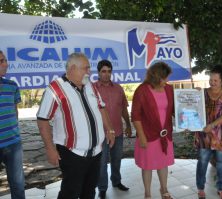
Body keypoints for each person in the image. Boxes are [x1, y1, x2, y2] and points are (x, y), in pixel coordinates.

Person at [37, 52, 115, 199]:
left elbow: (101, 107)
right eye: (85, 68)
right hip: (72, 153)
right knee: (70, 192)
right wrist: (50, 149)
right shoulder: (55, 89)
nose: (89, 71)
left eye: (89, 68)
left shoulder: (90, 86)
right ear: (72, 69)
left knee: (89, 191)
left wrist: (109, 129)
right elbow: (42, 119)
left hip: (96, 152)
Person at [131, 62, 174, 199]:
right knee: (147, 166)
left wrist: (192, 96)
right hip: (148, 135)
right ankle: (148, 194)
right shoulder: (142, 90)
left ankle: (164, 189)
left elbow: (175, 109)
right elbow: (136, 116)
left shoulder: (168, 89)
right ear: (157, 77)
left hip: (165, 135)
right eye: (165, 77)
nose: (167, 80)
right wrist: (142, 136)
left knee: (163, 164)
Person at [194, 65, 222, 199]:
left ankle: (221, 188)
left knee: (221, 163)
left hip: (221, 135)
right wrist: (193, 95)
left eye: (215, 80)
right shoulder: (202, 93)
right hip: (204, 135)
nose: (212, 82)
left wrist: (212, 125)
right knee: (202, 161)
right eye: (211, 79)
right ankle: (200, 188)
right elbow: (193, 108)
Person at [93, 60, 132, 199]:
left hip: (118, 132)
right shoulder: (91, 89)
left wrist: (128, 124)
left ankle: (116, 181)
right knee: (102, 163)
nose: (106, 74)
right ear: (98, 72)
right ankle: (102, 188)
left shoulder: (118, 88)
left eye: (109, 71)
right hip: (100, 134)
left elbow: (123, 109)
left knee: (117, 160)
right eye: (103, 71)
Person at [0, 51, 25, 199]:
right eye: (1, 61)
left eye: (5, 60)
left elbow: (15, 112)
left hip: (13, 144)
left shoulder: (12, 85)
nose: (6, 64)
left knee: (18, 186)